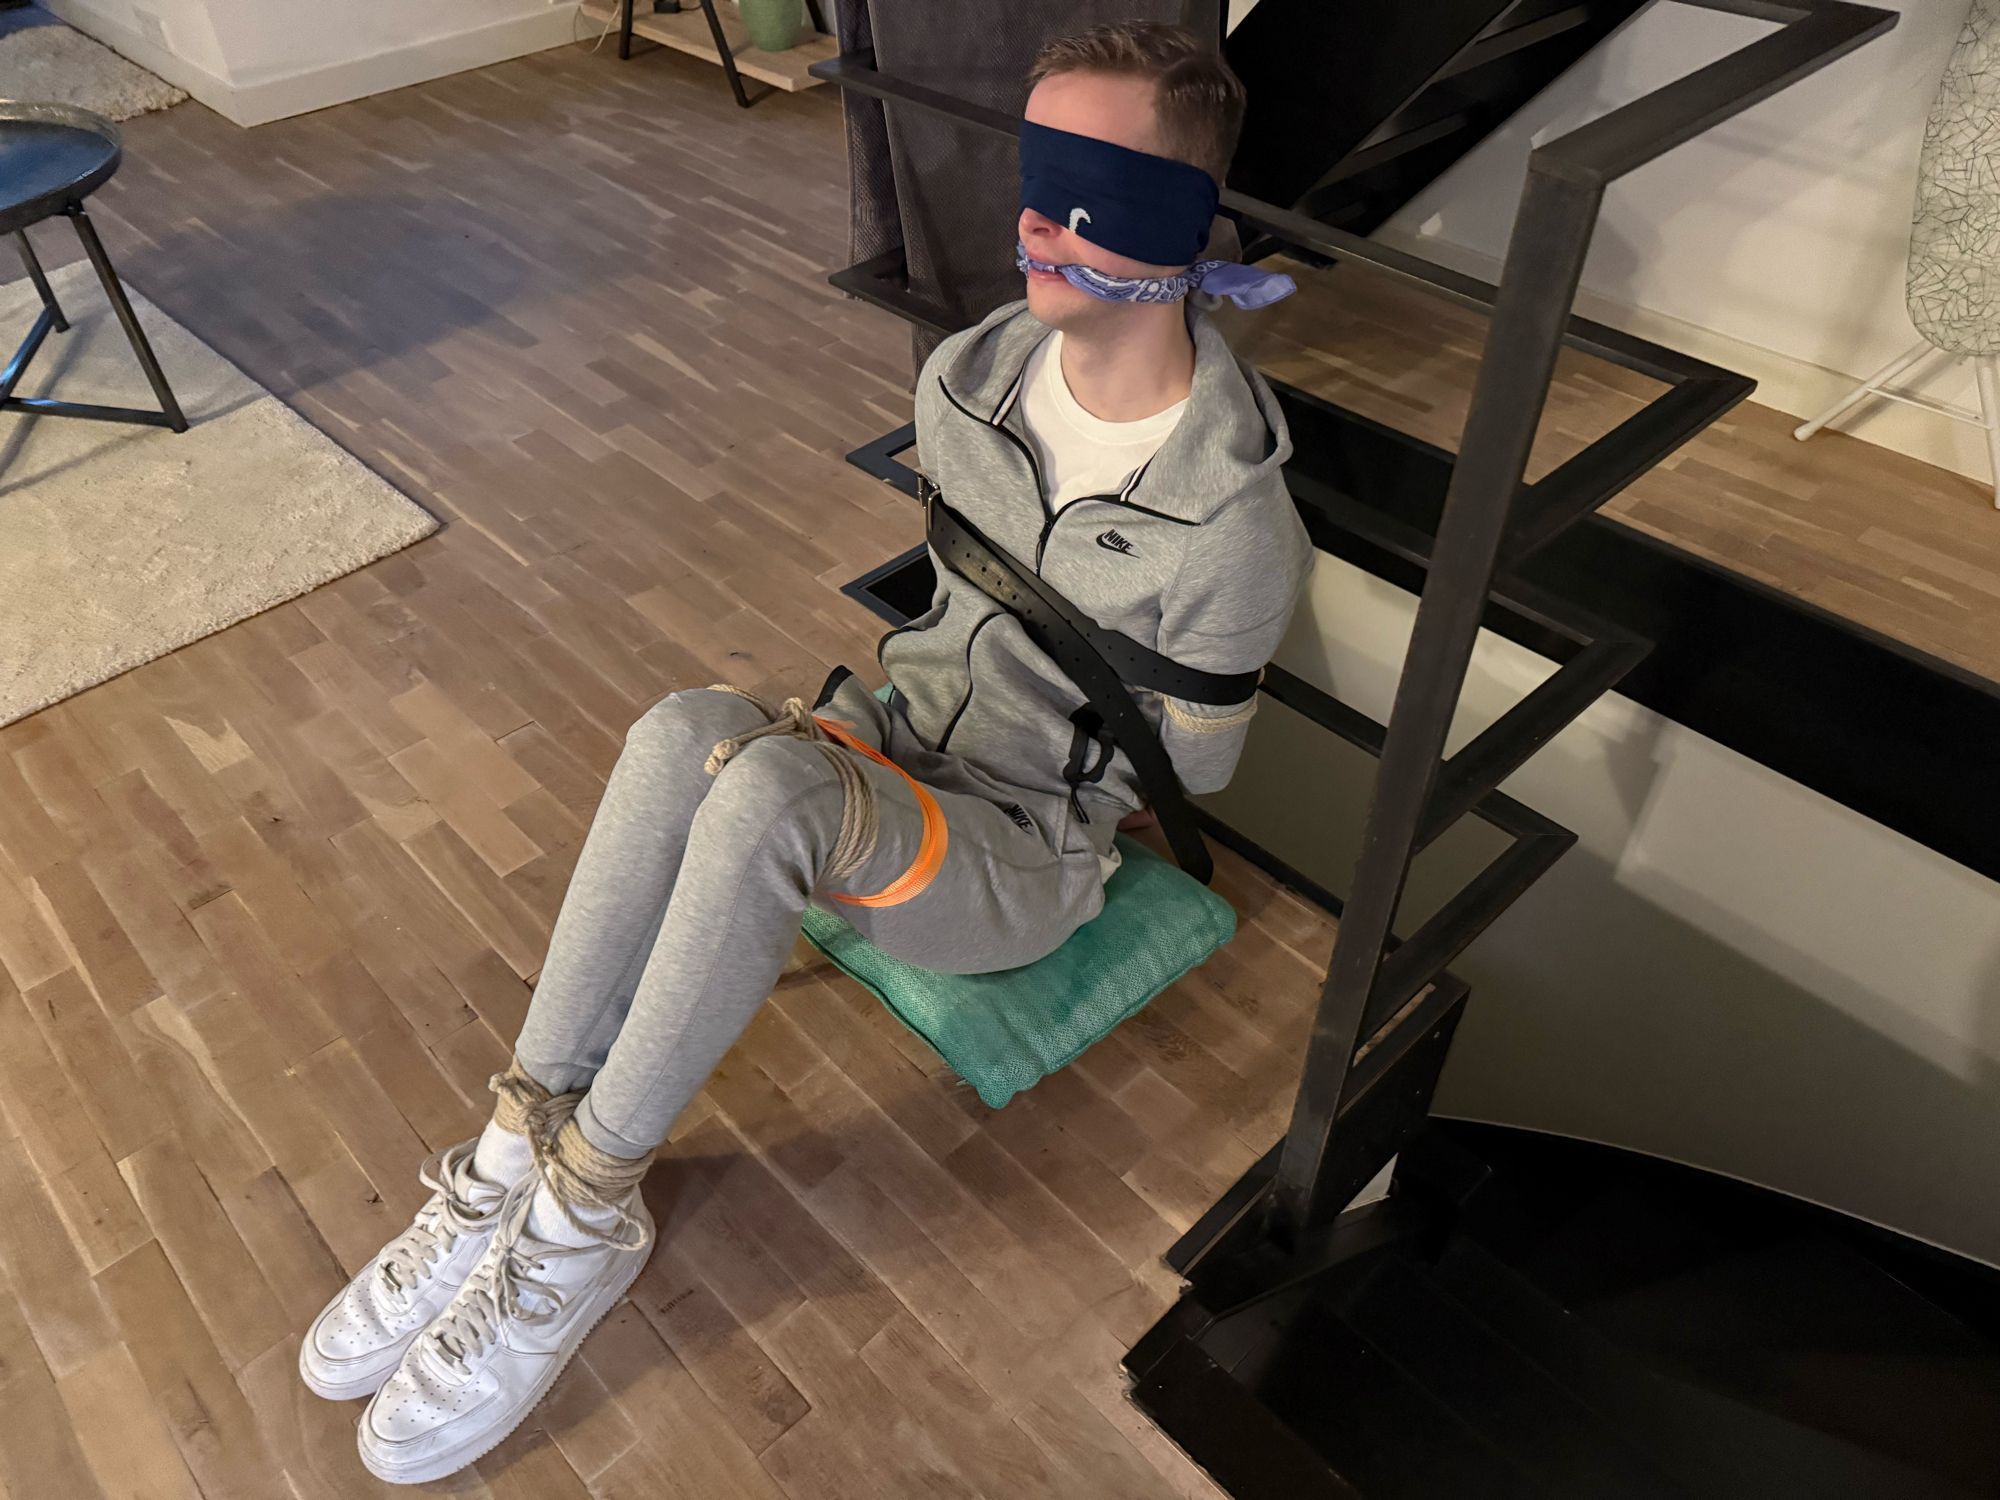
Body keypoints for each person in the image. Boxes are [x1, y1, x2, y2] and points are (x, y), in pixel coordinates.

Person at [298, 19, 1313, 1486]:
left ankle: (584, 1214)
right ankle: (513, 1151)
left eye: (1088, 190)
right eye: (1034, 175)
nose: (1035, 222)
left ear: (1176, 217)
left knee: (771, 790)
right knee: (682, 730)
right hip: (897, 741)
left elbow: (1194, 778)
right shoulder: (967, 378)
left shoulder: (1234, 524)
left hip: (1021, 852)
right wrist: (879, 759)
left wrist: (1007, 780)